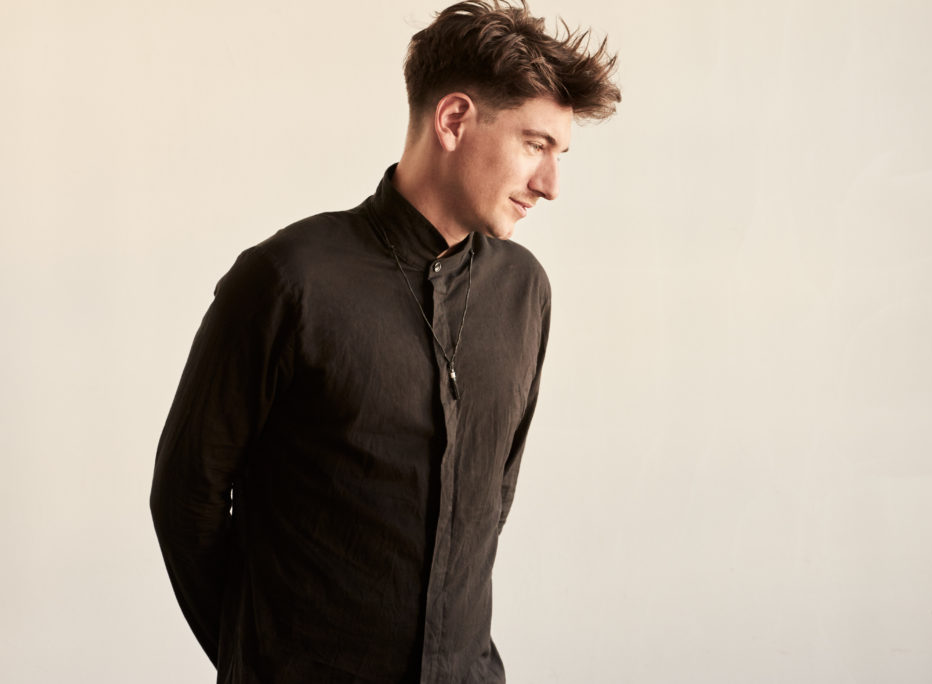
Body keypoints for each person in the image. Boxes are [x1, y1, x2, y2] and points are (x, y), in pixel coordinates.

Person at [149, 1, 619, 682]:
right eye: (534, 145)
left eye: (559, 154)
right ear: (453, 120)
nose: (550, 185)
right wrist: (262, 660)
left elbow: (489, 504)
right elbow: (185, 499)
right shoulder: (288, 281)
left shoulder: (524, 291)